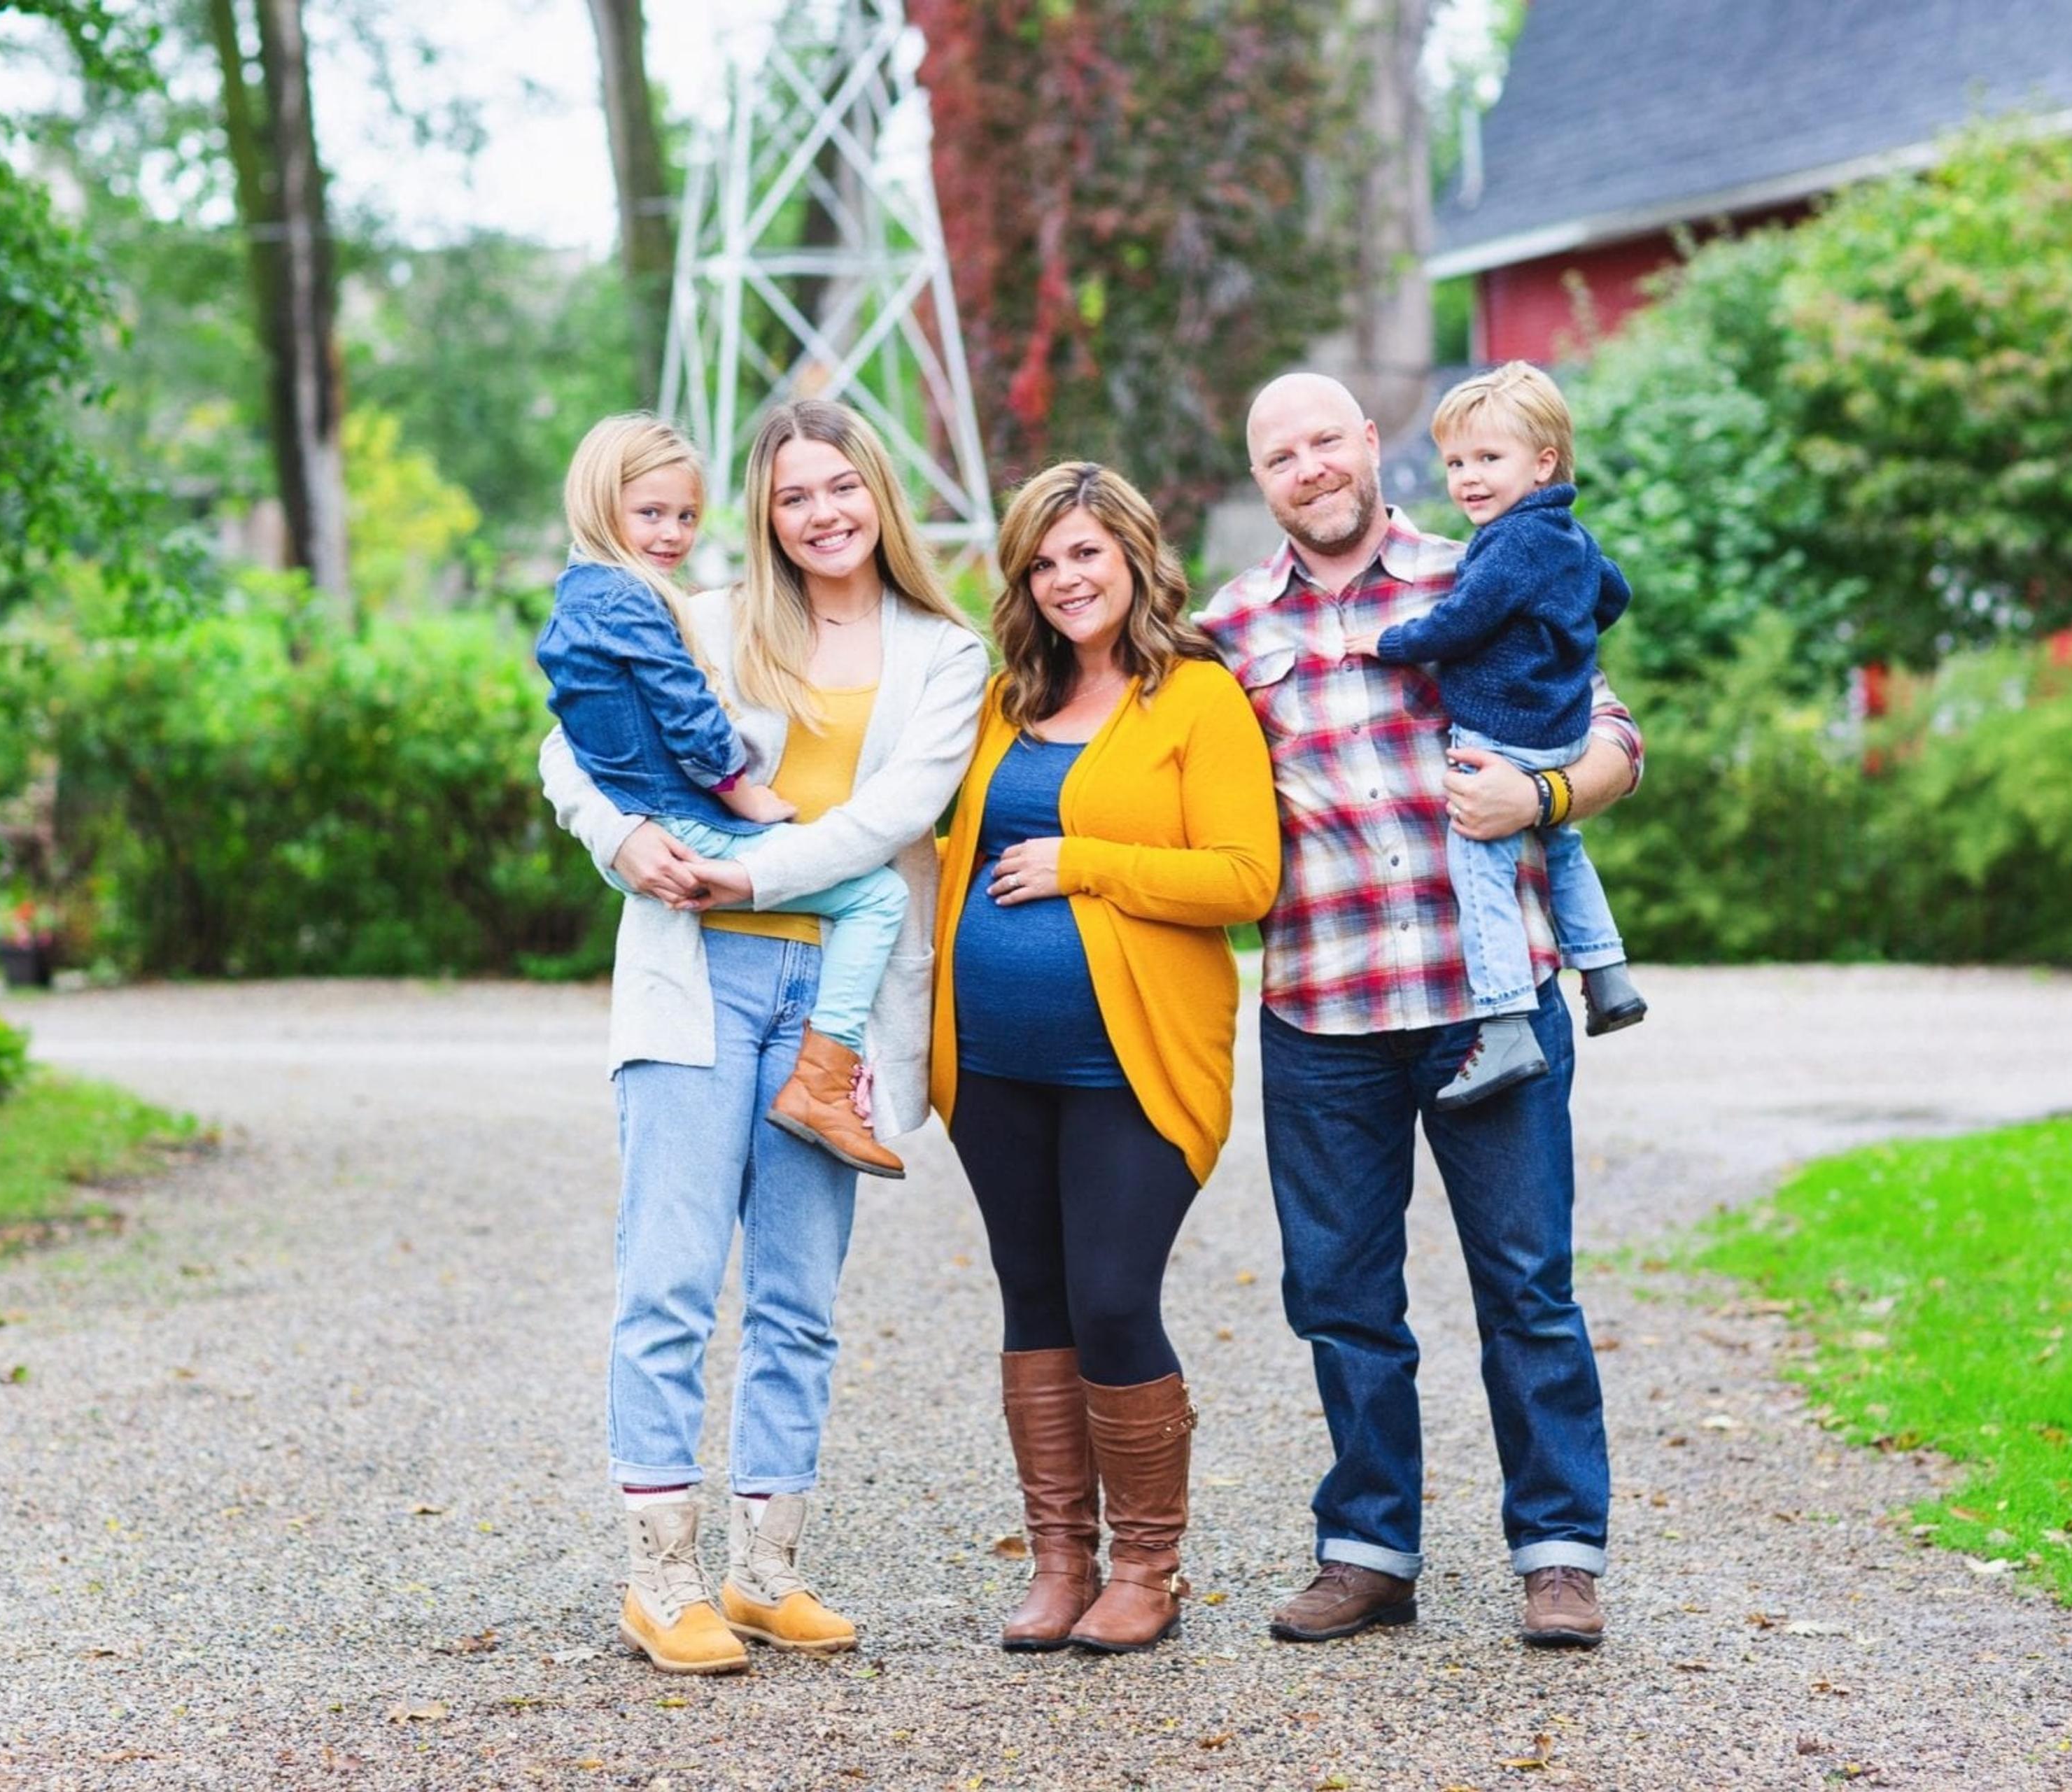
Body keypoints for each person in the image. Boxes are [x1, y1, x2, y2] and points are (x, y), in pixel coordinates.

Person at [537, 400, 988, 1676]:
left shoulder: (945, 652)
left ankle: (764, 1569)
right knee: (669, 1283)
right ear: (766, 511)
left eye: (841, 487)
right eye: (794, 495)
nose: (822, 513)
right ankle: (659, 1574)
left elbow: (901, 809)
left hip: (833, 1004)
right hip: (699, 980)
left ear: (878, 496)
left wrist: (758, 872)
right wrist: (622, 839)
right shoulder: (703, 613)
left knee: (797, 1301)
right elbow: (570, 747)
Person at [1199, 372, 1644, 1651]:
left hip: (1482, 1002)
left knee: (1527, 1287)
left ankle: (1558, 1553)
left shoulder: (1489, 564)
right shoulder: (1229, 630)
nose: (1310, 466)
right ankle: (1369, 1549)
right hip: (1322, 1010)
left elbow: (1614, 735)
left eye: (1326, 439)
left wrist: (1542, 803)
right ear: (1263, 478)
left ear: (1370, 444)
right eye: (1281, 453)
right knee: (1340, 1295)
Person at [931, 463, 1281, 1655]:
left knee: (1115, 1295)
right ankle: (1059, 1561)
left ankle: (1147, 1567)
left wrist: (1086, 860)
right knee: (1035, 1297)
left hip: (1134, 1062)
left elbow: (1247, 878)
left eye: (1085, 552)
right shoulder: (1005, 699)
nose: (1066, 578)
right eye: (1042, 560)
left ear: (1133, 554)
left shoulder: (1195, 697)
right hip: (990, 1062)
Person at [536, 414, 910, 1178]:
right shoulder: (658, 604)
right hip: (694, 866)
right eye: (651, 513)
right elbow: (638, 724)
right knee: (876, 899)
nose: (672, 533)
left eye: (685, 516)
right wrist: (730, 794)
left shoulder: (599, 595)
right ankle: (825, 1084)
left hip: (746, 891)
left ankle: (822, 1080)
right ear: (599, 503)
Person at [1346, 362, 1646, 1110]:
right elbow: (1614, 593)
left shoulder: (1510, 544)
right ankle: (1608, 975)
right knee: (1563, 843)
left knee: (1477, 864)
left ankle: (1507, 1019)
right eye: (1455, 462)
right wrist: (1562, 641)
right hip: (1558, 727)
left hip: (1505, 729)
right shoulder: (1566, 534)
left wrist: (1389, 641)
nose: (1468, 479)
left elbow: (1462, 620)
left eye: (1489, 459)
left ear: (1543, 462)